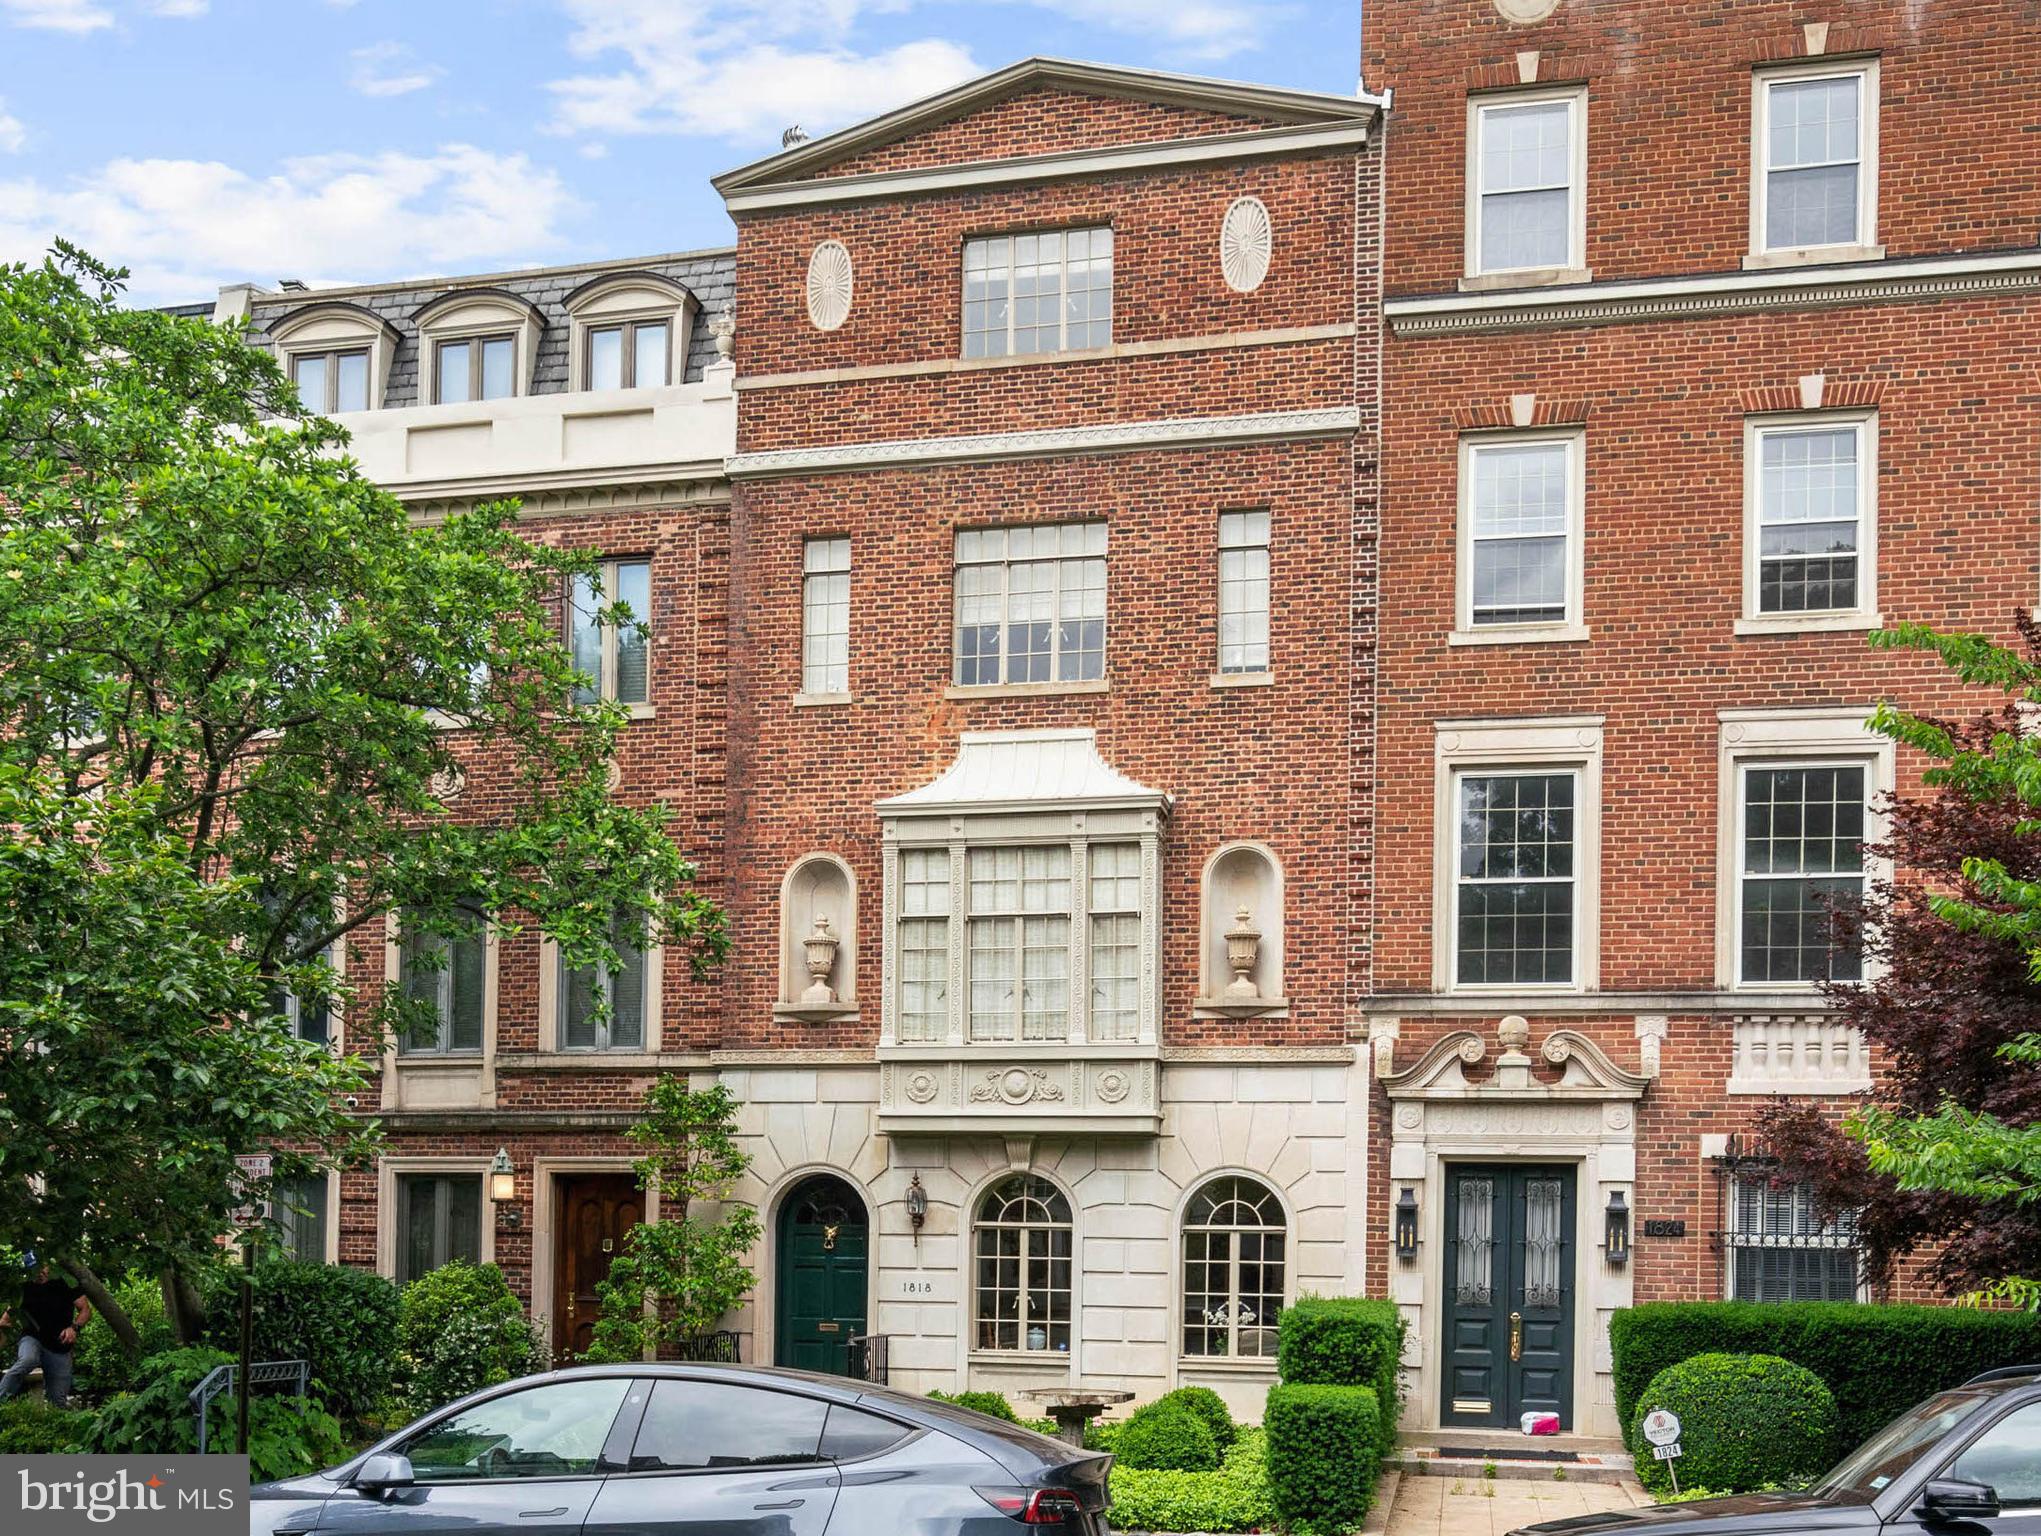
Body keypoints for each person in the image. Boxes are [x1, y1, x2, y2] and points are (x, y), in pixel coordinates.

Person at [0, 1252, 92, 1407]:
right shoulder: (24, 1288)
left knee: (58, 1401)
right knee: (28, 1359)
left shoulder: (65, 1281)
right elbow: (5, 1321)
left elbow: (85, 1310)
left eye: (41, 1269)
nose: (39, 1274)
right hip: (32, 1337)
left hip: (59, 1344)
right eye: (34, 1271)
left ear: (48, 1265)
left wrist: (74, 1328)